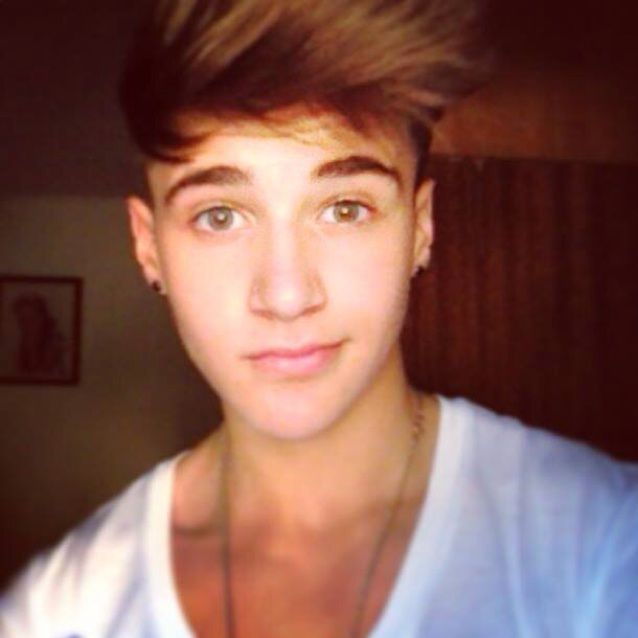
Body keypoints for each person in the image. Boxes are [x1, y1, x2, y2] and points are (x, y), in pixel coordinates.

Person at [1, 0, 637, 636]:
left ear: (420, 227)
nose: (286, 295)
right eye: (220, 216)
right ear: (149, 246)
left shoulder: (602, 541)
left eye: (345, 209)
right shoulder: (66, 607)